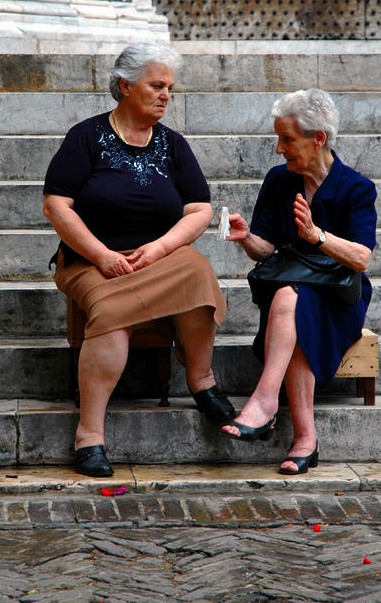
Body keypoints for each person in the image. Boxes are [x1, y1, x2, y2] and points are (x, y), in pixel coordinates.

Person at [43, 43, 234, 477]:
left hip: (157, 259)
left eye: (170, 87)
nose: (166, 94)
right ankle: (89, 435)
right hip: (90, 262)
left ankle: (202, 384)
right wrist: (102, 255)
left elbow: (199, 209)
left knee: (198, 273)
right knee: (111, 309)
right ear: (126, 86)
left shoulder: (172, 144)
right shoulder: (86, 137)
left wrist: (160, 248)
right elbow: (56, 205)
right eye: (156, 85)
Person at [220, 89, 377, 474]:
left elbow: (361, 257)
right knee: (293, 300)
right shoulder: (280, 180)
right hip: (289, 288)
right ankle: (305, 439)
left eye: (287, 139)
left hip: (340, 296)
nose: (279, 148)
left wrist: (316, 236)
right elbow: (264, 250)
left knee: (292, 301)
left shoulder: (357, 187)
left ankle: (265, 402)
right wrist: (245, 239)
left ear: (318, 138)